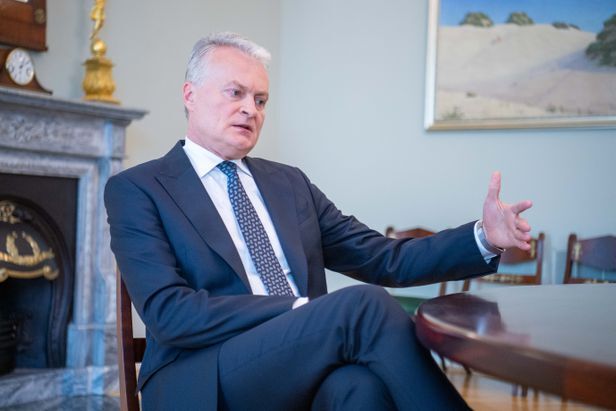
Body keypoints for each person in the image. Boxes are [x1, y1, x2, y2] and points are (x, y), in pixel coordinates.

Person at [104, 32, 533, 411]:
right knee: (362, 305)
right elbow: (170, 313)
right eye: (235, 93)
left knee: (359, 387)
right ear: (190, 95)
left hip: (296, 360)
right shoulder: (139, 188)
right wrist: (296, 308)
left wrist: (485, 238)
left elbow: (384, 258)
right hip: (203, 375)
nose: (250, 110)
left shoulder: (289, 184)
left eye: (260, 100)